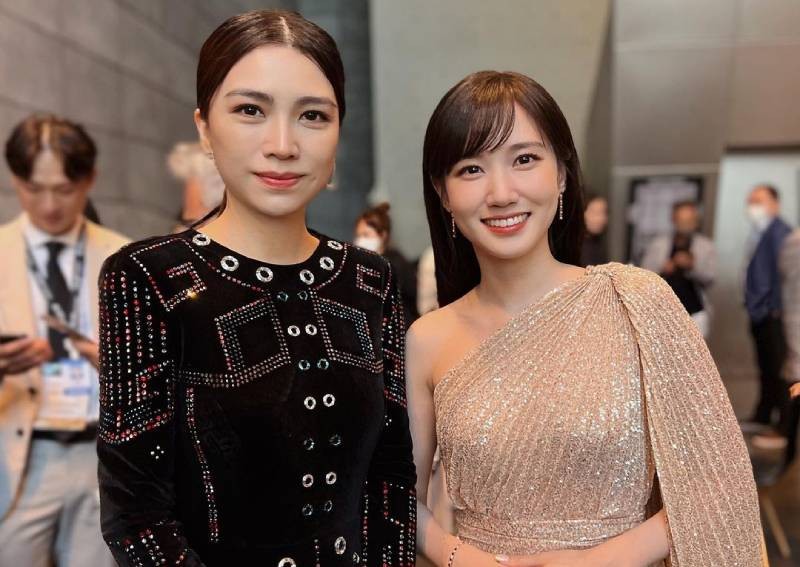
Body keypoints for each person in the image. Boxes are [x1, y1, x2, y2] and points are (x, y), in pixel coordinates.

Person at [97, 11, 416, 566]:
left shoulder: (370, 279)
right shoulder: (148, 277)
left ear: (339, 131)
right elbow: (136, 516)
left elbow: (390, 476)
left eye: (313, 115)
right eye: (250, 110)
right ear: (204, 128)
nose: (282, 144)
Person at [407, 71, 764, 566]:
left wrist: (598, 560)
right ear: (443, 192)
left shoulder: (637, 301)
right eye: (471, 169)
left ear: (562, 174)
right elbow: (401, 500)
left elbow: (719, 481)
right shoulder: (427, 339)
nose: (501, 192)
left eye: (525, 159)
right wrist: (463, 559)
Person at [0, 114, 128, 567]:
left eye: (65, 189)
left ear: (90, 180)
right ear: (15, 179)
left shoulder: (124, 256)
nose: (49, 205)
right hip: (18, 453)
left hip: (101, 454)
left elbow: (163, 369)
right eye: (33, 189)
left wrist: (117, 364)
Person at [744, 185, 793, 430]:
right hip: (761, 313)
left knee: (779, 368)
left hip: (773, 314)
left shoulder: (781, 233)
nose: (753, 207)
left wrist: (771, 308)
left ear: (775, 204)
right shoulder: (760, 233)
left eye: (759, 201)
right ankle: (764, 414)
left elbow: (782, 278)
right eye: (751, 201)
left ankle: (783, 424)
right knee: (766, 367)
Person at [640, 200, 716, 337]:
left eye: (689, 221)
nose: (685, 225)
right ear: (674, 220)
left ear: (696, 221)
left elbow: (710, 278)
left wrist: (692, 267)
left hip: (694, 312)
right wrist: (663, 269)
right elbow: (643, 275)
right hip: (661, 313)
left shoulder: (705, 246)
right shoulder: (659, 245)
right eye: (682, 220)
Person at [354, 202, 419, 323]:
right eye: (358, 235)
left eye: (366, 235)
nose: (360, 240)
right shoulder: (362, 261)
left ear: (383, 235)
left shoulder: (394, 264)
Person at [578, 193, 608, 267]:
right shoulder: (577, 246)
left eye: (604, 212)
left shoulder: (597, 241)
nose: (601, 218)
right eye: (595, 213)